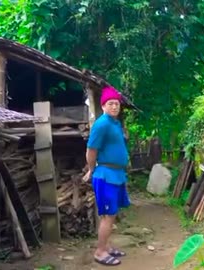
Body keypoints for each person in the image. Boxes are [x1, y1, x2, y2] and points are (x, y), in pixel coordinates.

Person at [83, 86, 130, 266]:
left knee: (111, 215)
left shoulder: (115, 124)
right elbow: (91, 150)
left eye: (116, 103)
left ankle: (107, 247)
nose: (114, 107)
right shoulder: (102, 124)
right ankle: (100, 251)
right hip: (106, 175)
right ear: (103, 106)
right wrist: (91, 169)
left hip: (116, 174)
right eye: (110, 104)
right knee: (108, 216)